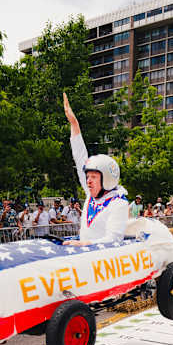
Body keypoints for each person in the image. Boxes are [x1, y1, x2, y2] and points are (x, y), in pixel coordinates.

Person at [63, 92, 128, 246]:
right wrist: (74, 124)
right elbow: (79, 157)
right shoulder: (92, 194)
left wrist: (84, 244)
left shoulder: (118, 203)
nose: (88, 181)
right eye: (88, 176)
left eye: (93, 177)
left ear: (107, 179)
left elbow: (114, 239)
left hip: (104, 263)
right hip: (86, 258)